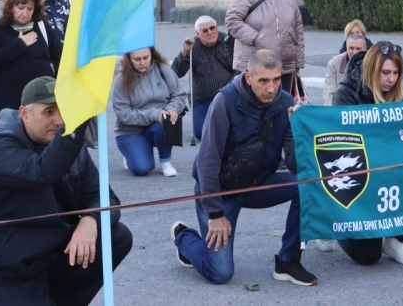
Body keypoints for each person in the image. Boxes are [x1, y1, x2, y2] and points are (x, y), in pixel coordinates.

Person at [0, 76, 132, 305]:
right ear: (24, 113)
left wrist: (91, 219)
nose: (59, 120)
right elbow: (43, 170)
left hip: (50, 256)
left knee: (116, 236)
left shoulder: (66, 147)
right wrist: (75, 131)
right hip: (5, 272)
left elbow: (105, 197)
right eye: (48, 112)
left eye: (63, 110)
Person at [171, 50, 318, 287]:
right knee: (220, 273)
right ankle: (184, 237)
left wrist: (298, 130)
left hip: (258, 184)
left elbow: (293, 165)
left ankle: (287, 261)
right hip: (222, 190)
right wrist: (216, 214)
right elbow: (207, 160)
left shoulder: (286, 102)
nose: (272, 88)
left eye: (277, 79)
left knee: (306, 184)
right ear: (248, 77)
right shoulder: (225, 100)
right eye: (264, 80)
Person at [332, 42, 403, 265]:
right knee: (368, 257)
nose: (392, 79)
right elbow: (341, 144)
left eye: (396, 72)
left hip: (391, 169)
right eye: (386, 73)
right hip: (360, 172)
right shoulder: (346, 93)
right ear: (372, 70)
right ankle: (334, 224)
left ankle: (397, 239)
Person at [226, 0, 305, 97]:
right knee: (256, 112)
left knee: (282, 111)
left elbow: (298, 28)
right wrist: (257, 38)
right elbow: (232, 21)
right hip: (255, 66)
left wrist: (298, 63)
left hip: (284, 67)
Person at [0, 0, 62, 118]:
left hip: (43, 101)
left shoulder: (41, 26)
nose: (25, 13)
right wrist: (20, 44)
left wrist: (60, 84)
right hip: (11, 104)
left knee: (45, 137)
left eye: (29, 9)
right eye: (20, 8)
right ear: (10, 7)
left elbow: (58, 55)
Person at [112, 47, 187, 177]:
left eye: (146, 58)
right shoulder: (121, 81)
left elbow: (179, 94)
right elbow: (123, 114)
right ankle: (131, 154)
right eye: (137, 59)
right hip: (131, 131)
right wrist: (153, 114)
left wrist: (172, 108)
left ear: (151, 55)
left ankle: (165, 161)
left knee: (165, 121)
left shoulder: (162, 69)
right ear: (129, 60)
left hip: (158, 124)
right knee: (142, 169)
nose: (142, 63)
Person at [171, 15, 235, 141]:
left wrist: (229, 88)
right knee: (201, 133)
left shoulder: (229, 41)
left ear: (217, 28)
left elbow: (239, 68)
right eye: (205, 30)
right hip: (202, 99)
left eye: (212, 28)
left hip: (227, 96)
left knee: (233, 129)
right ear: (198, 33)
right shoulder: (193, 46)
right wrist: (184, 52)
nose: (210, 32)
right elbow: (176, 73)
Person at [323, 34, 367, 105]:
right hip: (340, 106)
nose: (355, 52)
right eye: (351, 48)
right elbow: (329, 95)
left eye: (358, 49)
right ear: (346, 48)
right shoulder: (334, 63)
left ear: (365, 49)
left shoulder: (373, 64)